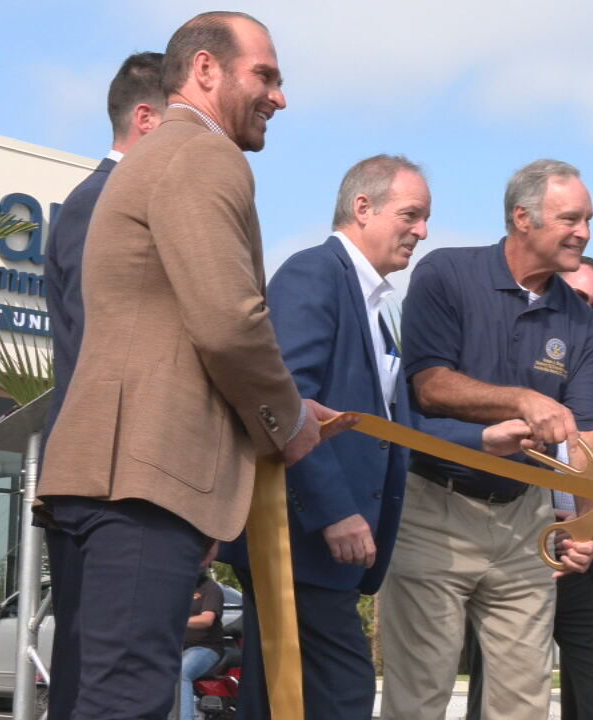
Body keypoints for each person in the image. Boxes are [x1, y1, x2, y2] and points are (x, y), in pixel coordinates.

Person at [37, 12, 346, 719]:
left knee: (107, 692)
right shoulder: (202, 156)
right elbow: (229, 323)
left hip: (116, 477)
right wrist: (287, 420)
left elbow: (181, 327)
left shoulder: (158, 157)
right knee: (129, 699)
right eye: (264, 76)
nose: (280, 97)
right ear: (205, 70)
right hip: (144, 481)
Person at [382, 159, 593, 720]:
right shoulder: (445, 274)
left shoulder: (580, 321)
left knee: (524, 703)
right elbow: (430, 385)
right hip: (434, 512)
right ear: (523, 218)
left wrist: (591, 520)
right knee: (419, 696)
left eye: (588, 220)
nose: (583, 232)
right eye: (570, 218)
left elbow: (591, 432)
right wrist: (522, 399)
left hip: (525, 524)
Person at [220, 155, 430, 720]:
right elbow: (284, 401)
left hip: (325, 548)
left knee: (283, 699)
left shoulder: (382, 309)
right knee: (342, 691)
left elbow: (387, 427)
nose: (423, 231)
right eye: (411, 215)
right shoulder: (314, 274)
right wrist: (334, 510)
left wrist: (485, 441)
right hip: (299, 536)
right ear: (363, 208)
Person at [39, 51, 165, 720]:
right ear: (146, 120)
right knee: (98, 681)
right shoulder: (104, 203)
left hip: (115, 481)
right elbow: (110, 349)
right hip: (108, 483)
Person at [464, 256, 593, 720]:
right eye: (578, 296)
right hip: (513, 561)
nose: (585, 310)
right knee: (498, 703)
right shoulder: (504, 378)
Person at [180, 558, 225, 720]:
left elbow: (207, 620)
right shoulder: (176, 589)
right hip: (177, 647)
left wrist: (178, 621)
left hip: (205, 648)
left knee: (181, 673)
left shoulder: (210, 589)